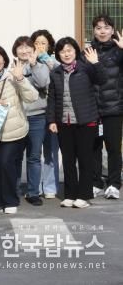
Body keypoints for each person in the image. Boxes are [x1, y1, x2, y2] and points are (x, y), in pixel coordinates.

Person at [0, 45, 38, 215]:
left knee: (6, 163)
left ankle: (11, 200)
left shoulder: (13, 75)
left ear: (4, 59)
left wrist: (20, 79)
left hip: (14, 129)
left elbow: (32, 97)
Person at [47, 38, 103, 209]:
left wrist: (96, 64)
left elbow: (101, 80)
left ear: (75, 51)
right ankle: (70, 194)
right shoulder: (55, 73)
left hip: (85, 121)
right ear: (58, 54)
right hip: (64, 122)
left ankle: (84, 195)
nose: (66, 54)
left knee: (85, 159)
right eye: (62, 51)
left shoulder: (86, 68)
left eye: (69, 50)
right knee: (68, 159)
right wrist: (51, 120)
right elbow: (52, 98)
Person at [13, 36, 51, 206]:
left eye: (28, 47)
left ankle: (33, 192)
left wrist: (34, 65)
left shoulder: (40, 66)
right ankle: (13, 191)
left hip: (37, 116)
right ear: (15, 50)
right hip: (17, 117)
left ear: (34, 50)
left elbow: (43, 83)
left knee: (34, 156)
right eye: (20, 47)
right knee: (15, 156)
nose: (24, 50)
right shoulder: (10, 66)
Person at [89, 14, 123, 200]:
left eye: (106, 28)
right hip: (93, 109)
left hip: (114, 108)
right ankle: (95, 182)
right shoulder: (88, 51)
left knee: (113, 148)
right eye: (99, 28)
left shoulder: (119, 51)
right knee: (94, 147)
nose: (102, 31)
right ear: (94, 31)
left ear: (112, 30)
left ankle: (114, 183)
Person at [31, 28, 60, 198]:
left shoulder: (54, 61)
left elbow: (58, 74)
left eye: (43, 43)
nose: (39, 46)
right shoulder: (29, 62)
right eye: (36, 43)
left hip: (52, 111)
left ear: (49, 46)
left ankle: (50, 187)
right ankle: (36, 186)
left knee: (51, 151)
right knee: (34, 153)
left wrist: (46, 60)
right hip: (35, 111)